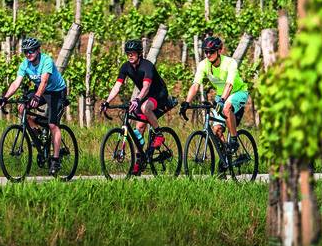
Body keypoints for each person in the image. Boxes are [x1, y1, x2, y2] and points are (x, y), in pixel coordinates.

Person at [99, 39, 172, 174]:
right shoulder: (125, 67)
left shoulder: (147, 65)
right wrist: (107, 102)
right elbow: (117, 86)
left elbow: (146, 87)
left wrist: (137, 99)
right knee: (138, 129)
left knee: (145, 108)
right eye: (128, 53)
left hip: (158, 93)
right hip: (144, 97)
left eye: (133, 53)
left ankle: (159, 134)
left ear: (139, 54)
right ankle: (139, 160)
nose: (130, 56)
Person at [0, 37, 67, 175]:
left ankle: (56, 160)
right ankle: (36, 132)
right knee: (21, 107)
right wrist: (5, 97)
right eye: (25, 52)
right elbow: (16, 83)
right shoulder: (25, 64)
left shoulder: (46, 61)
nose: (28, 54)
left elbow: (44, 81)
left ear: (38, 51)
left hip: (56, 92)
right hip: (40, 90)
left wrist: (37, 96)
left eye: (31, 51)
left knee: (53, 125)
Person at [179, 36, 249, 168]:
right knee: (217, 131)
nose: (208, 54)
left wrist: (222, 100)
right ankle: (224, 161)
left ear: (219, 50)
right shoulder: (203, 65)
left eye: (211, 51)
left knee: (226, 107)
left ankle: (234, 140)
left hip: (238, 92)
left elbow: (229, 84)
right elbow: (195, 85)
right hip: (220, 95)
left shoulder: (230, 63)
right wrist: (186, 102)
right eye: (206, 52)